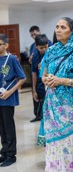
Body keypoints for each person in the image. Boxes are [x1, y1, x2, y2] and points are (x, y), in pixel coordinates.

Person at [41, 17, 73, 171]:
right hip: (52, 104)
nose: (58, 30)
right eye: (57, 27)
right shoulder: (51, 50)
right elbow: (45, 74)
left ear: (72, 30)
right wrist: (47, 80)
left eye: (63, 27)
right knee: (54, 143)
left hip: (72, 105)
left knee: (72, 142)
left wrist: (61, 80)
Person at [0, 34, 26, 167]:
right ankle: (4, 152)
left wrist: (10, 91)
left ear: (6, 45)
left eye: (0, 44)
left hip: (7, 98)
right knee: (1, 128)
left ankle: (11, 155)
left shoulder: (12, 59)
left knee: (8, 126)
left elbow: (22, 78)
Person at [30, 34, 49, 123]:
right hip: (40, 84)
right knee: (40, 104)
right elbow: (33, 73)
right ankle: (39, 117)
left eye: (45, 47)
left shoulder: (52, 53)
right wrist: (34, 90)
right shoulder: (35, 57)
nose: (44, 49)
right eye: (41, 48)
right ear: (36, 46)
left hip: (50, 84)